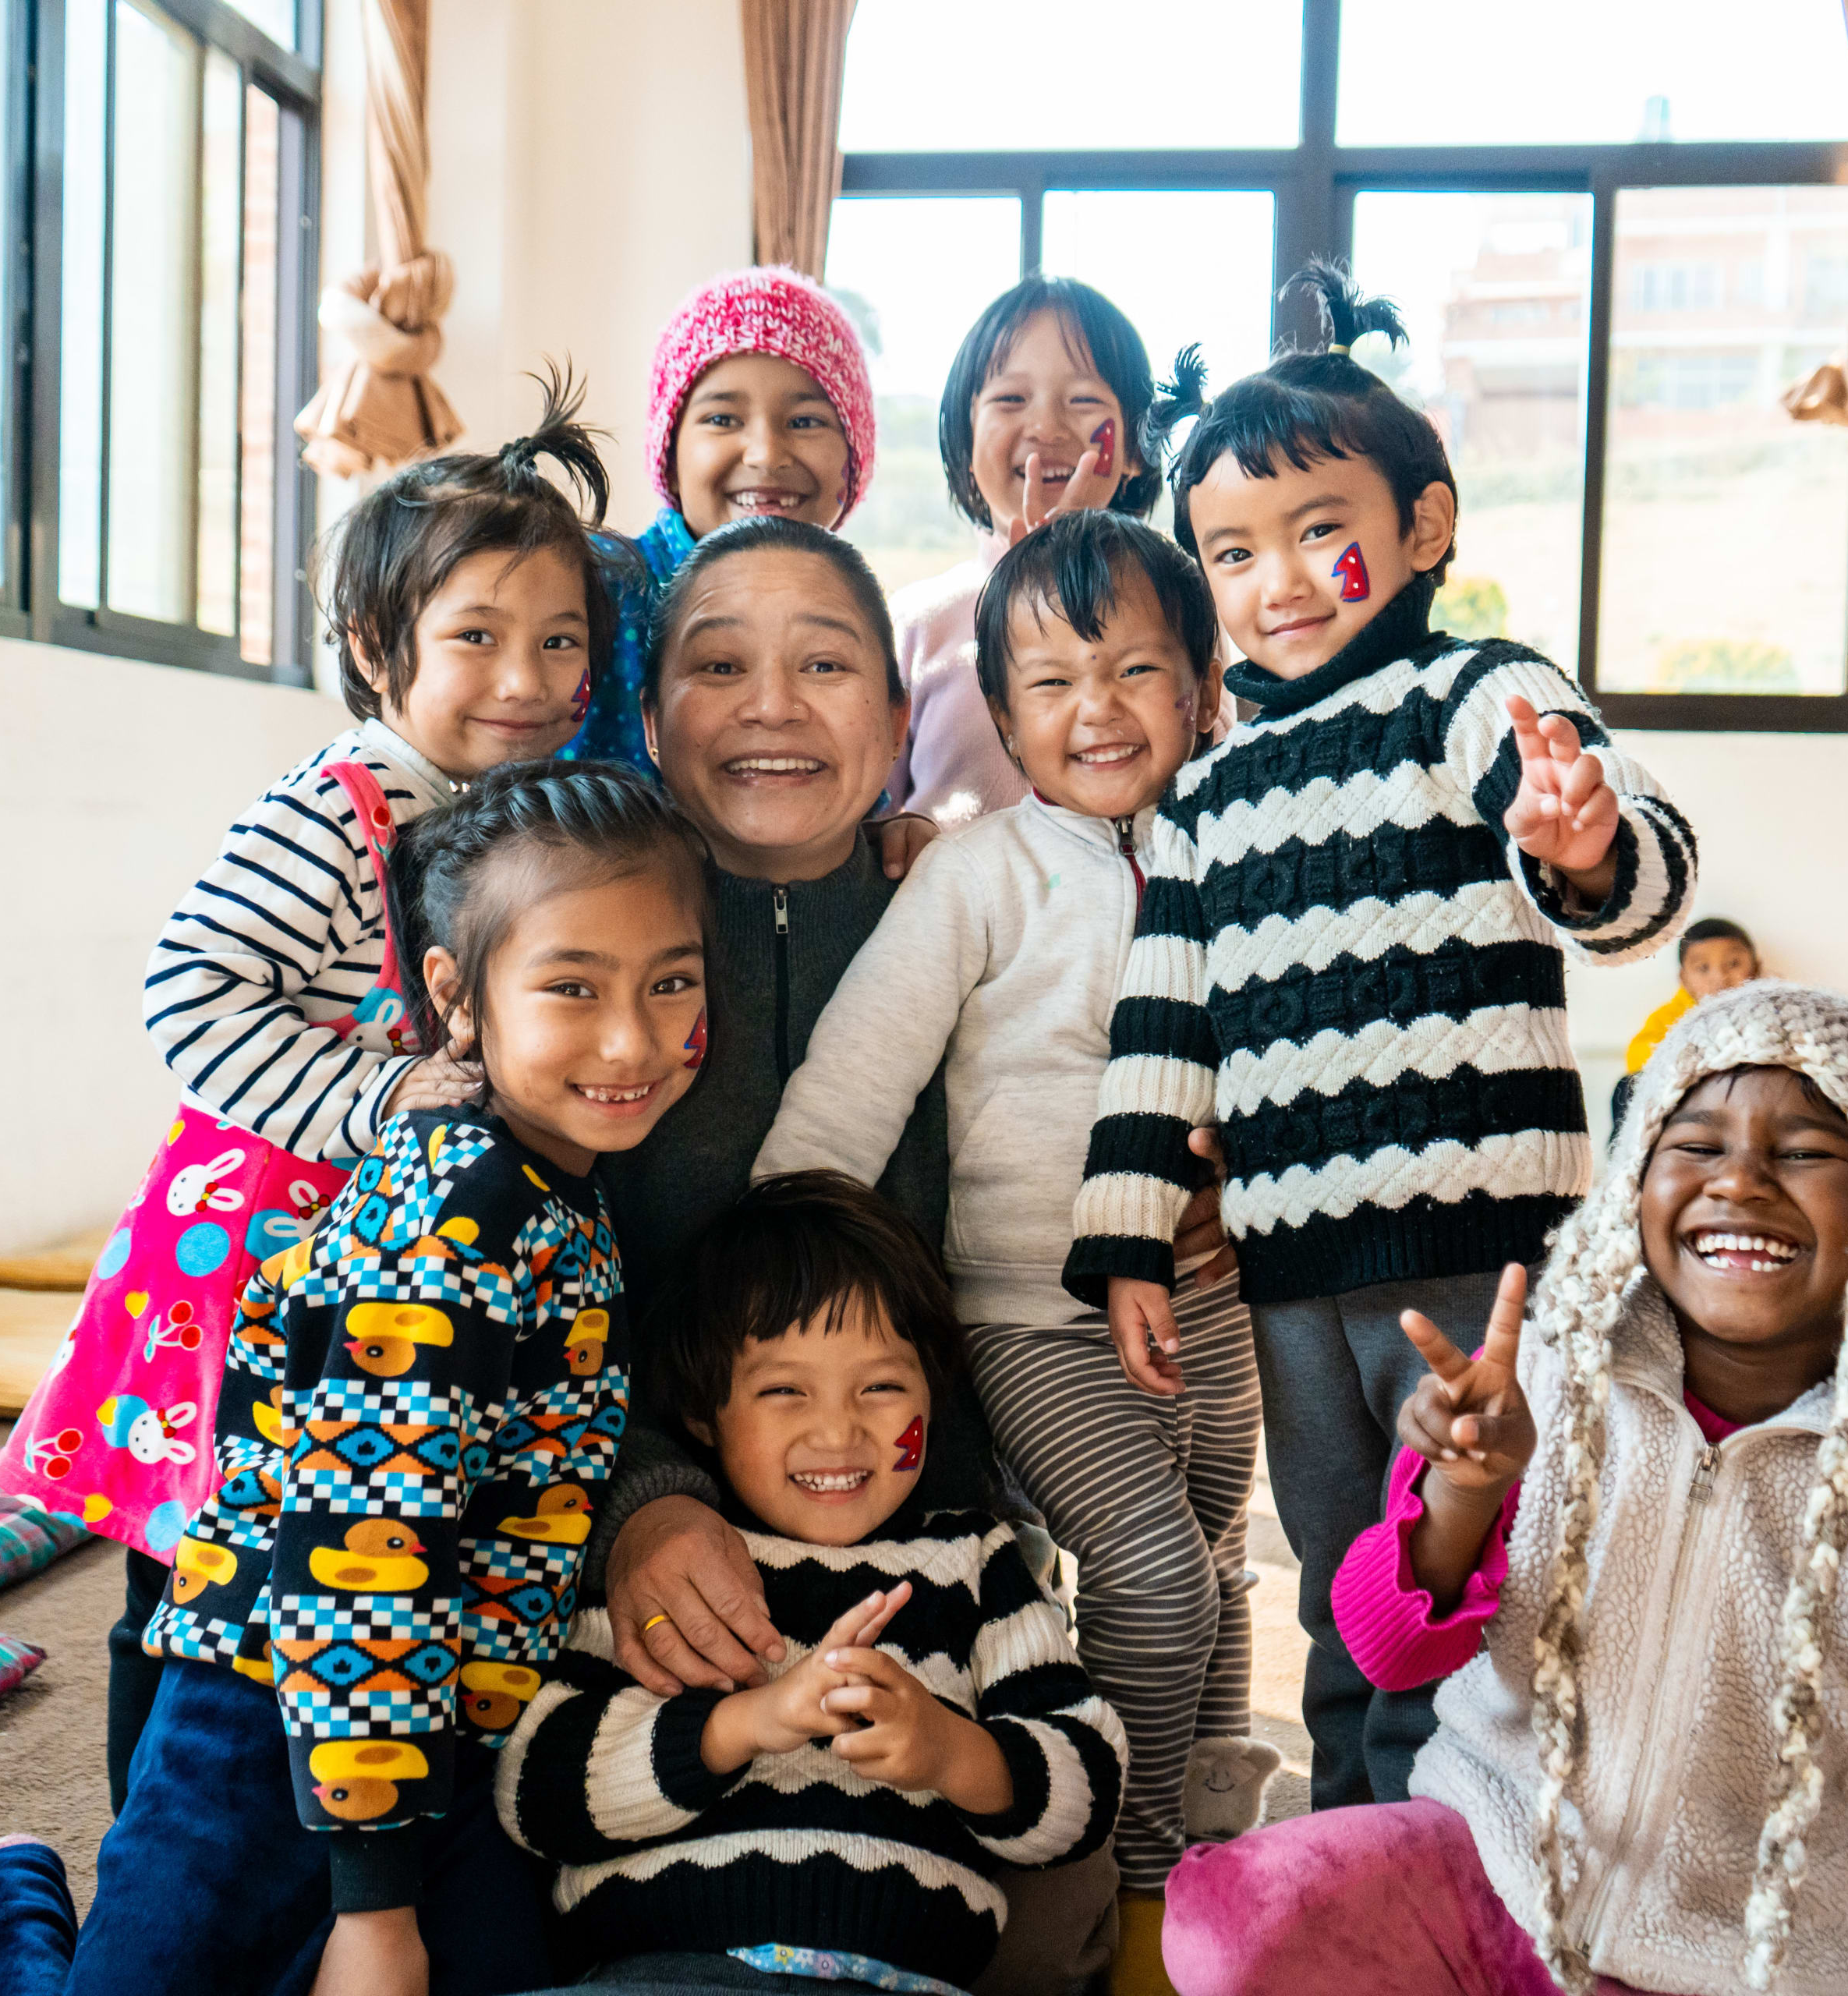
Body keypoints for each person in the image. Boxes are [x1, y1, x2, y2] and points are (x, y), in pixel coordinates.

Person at [0, 759, 715, 1996]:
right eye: (572, 988)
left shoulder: (558, 1175)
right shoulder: (451, 1220)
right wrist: (374, 1909)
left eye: (670, 981)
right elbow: (363, 1556)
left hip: (446, 1727)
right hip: (270, 1710)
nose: (634, 1038)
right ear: (457, 1001)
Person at [1063, 264, 1698, 1814]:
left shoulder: (1476, 696)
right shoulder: (1208, 794)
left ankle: (1499, 1839)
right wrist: (1129, 1235)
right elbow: (1169, 1029)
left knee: (1494, 1562)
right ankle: (1356, 1836)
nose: (1277, 578)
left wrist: (1583, 838)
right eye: (1231, 550)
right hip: (1292, 1276)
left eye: (1318, 531)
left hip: (1483, 1263)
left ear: (1426, 526)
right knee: (1344, 1575)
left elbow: (1629, 884)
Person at [0, 382, 633, 1810]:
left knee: (313, 1574)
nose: (526, 679)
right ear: (371, 648)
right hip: (241, 1260)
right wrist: (382, 1097)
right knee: (193, 1585)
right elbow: (190, 990)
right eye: (476, 639)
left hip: (359, 1261)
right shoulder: (337, 804)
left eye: (559, 641)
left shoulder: (495, 808)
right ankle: (151, 1863)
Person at [1160, 982, 1848, 1996]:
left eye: (1803, 1151)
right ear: (1636, 1179)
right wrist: (1458, 1498)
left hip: (1741, 1966)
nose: (1741, 1181)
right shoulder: (1524, 1395)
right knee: (1235, 1922)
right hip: (1482, 1882)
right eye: (1698, 1143)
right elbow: (1381, 1646)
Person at [752, 511, 1264, 1984]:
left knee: (1218, 1571)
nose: (1094, 711)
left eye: (1133, 672)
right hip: (1031, 1317)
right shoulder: (978, 877)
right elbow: (857, 1077)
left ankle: (1216, 1847)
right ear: (996, 712)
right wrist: (780, 1271)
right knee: (1155, 1580)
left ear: (1202, 686)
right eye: (1046, 683)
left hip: (1218, 1294)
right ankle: (1131, 1879)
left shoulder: (1235, 847)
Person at [496, 1173, 1127, 1996]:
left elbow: (1086, 1778)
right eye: (784, 1390)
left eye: (883, 1386)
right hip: (665, 1976)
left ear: (934, 1399)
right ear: (699, 1412)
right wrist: (743, 1724)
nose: (838, 1429)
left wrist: (952, 1751)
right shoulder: (670, 1569)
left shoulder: (973, 1561)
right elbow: (538, 1788)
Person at [889, 276, 1177, 828]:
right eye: (1011, 399)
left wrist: (1076, 571)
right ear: (966, 438)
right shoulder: (915, 625)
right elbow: (858, 818)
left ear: (1138, 448)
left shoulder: (1177, 608)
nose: (1045, 427)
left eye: (1084, 399)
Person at [565, 267, 875, 775]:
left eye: (805, 422)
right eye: (723, 419)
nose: (767, 454)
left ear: (852, 461)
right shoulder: (594, 592)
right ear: (669, 455)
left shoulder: (855, 609)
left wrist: (892, 831)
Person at [1608, 918, 1760, 1139]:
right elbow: (1639, 1054)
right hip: (1687, 1092)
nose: (1719, 978)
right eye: (1703, 968)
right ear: (1683, 979)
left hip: (1742, 1092)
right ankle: (1630, 1161)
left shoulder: (1765, 1010)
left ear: (1756, 969)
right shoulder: (1672, 1016)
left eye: (1733, 964)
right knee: (1627, 1087)